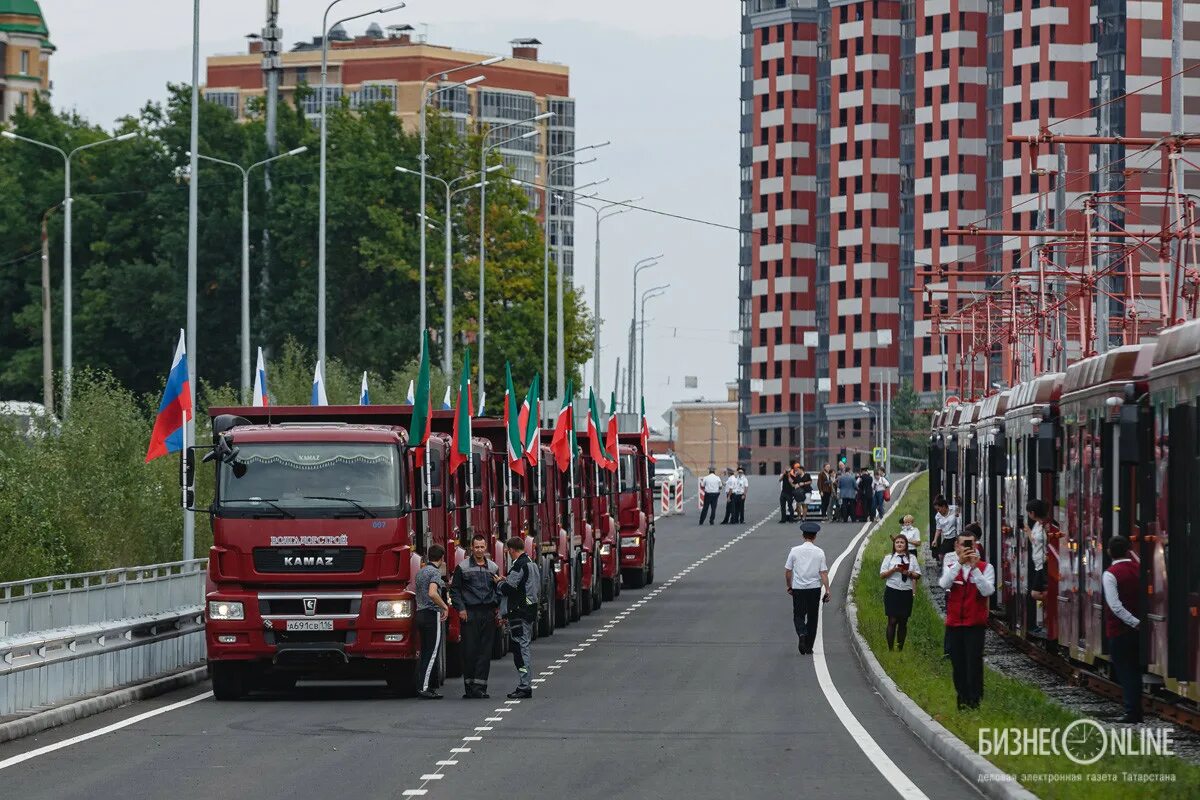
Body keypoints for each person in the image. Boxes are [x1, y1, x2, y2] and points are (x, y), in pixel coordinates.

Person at [939, 523, 995, 709]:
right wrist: (960, 564)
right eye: (964, 544)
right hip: (955, 623)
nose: (967, 548)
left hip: (975, 623)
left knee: (974, 662)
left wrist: (974, 569)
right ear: (957, 546)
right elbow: (944, 584)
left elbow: (988, 591)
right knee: (958, 662)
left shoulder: (986, 568)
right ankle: (961, 697)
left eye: (970, 544)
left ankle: (974, 699)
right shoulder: (950, 565)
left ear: (976, 546)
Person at [450, 533, 500, 699]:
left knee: (485, 651)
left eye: (482, 547)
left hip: (487, 613)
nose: (479, 550)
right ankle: (469, 687)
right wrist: (461, 609)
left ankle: (480, 688)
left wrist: (498, 607)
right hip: (470, 613)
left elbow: (498, 590)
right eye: (476, 547)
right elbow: (455, 590)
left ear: (486, 548)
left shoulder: (493, 567)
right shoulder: (462, 567)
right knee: (469, 650)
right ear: (471, 548)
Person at [1103, 536, 1143, 723]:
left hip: (1120, 630)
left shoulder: (1110, 574)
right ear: (1129, 550)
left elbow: (1115, 606)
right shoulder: (1140, 568)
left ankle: (1132, 712)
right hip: (1140, 630)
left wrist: (1134, 622)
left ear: (1109, 552)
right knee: (1134, 669)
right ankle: (1136, 709)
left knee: (1126, 671)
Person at [495, 536, 540, 699]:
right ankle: (524, 684)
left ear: (512, 550)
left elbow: (508, 588)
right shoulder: (531, 563)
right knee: (523, 647)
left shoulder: (519, 565)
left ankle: (524, 685)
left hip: (519, 613)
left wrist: (499, 583)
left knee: (521, 650)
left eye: (508, 551)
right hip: (528, 611)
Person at [784, 521, 832, 654]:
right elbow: (823, 573)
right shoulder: (819, 552)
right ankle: (809, 646)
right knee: (812, 616)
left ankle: (801, 634)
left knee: (798, 615)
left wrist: (789, 586)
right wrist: (827, 590)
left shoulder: (794, 551)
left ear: (803, 536)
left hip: (798, 588)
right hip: (814, 588)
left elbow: (788, 571)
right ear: (815, 537)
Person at [414, 544, 451, 700]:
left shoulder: (420, 572)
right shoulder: (435, 572)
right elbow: (432, 593)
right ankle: (424, 688)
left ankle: (424, 684)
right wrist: (444, 607)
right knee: (432, 652)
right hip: (431, 614)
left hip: (420, 612)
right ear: (442, 558)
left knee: (425, 652)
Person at [880, 533, 921, 650]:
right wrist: (894, 570)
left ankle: (900, 648)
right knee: (892, 620)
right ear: (894, 544)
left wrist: (908, 573)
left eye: (902, 542)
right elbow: (882, 575)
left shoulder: (912, 558)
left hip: (906, 591)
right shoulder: (889, 558)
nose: (899, 544)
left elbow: (917, 575)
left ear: (906, 545)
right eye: (897, 542)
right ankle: (890, 648)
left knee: (903, 621)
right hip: (892, 591)